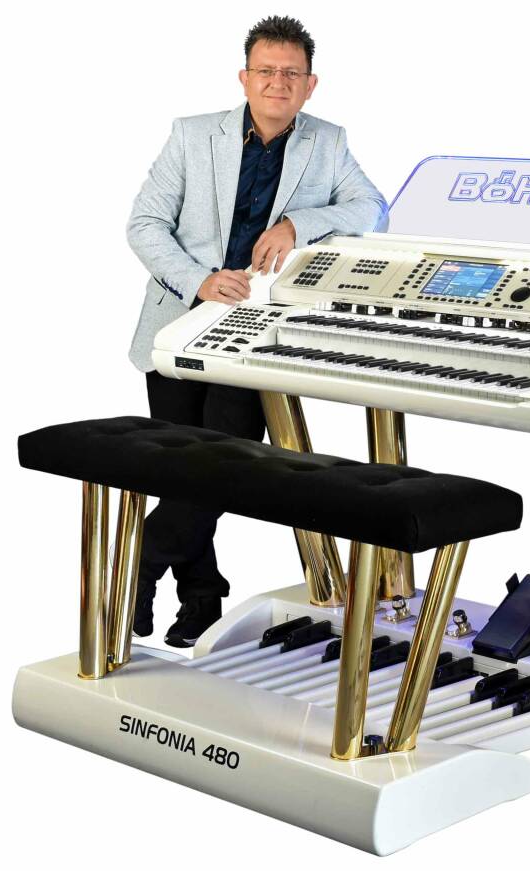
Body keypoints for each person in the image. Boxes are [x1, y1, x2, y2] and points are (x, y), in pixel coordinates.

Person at [126, 15, 388, 647]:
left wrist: (299, 224)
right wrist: (199, 279)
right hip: (180, 320)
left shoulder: (327, 142)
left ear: (310, 84)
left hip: (256, 334)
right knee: (182, 473)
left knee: (220, 467)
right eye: (266, 71)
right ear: (244, 78)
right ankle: (203, 598)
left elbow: (374, 209)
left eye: (291, 73)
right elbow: (145, 224)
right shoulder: (192, 135)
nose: (278, 82)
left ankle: (135, 569)